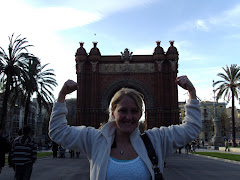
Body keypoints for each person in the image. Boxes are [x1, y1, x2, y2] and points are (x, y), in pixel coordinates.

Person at [49, 75, 201, 180]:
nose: (129, 117)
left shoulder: (156, 140)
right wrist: (62, 95)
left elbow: (191, 129)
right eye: (122, 110)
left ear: (141, 114)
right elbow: (57, 131)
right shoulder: (95, 140)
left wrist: (192, 93)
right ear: (113, 113)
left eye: (134, 111)